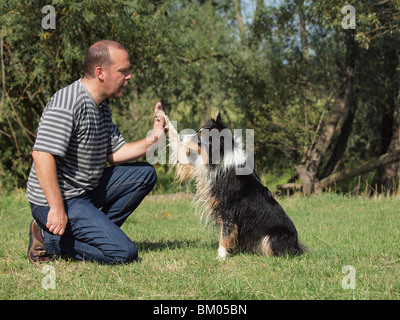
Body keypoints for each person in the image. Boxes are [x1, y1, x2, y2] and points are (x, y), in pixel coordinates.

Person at [26, 40, 165, 264]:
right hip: (60, 198)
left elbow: (115, 153)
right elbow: (42, 155)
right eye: (123, 71)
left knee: (145, 174)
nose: (129, 76)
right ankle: (50, 238)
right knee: (124, 253)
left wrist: (154, 138)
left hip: (86, 190)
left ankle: (88, 235)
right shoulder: (68, 102)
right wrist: (57, 209)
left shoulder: (101, 106)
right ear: (100, 72)